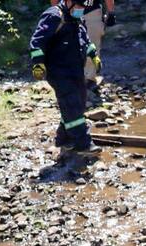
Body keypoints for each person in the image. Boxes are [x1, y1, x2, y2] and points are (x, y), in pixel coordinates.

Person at [30, 0, 102, 156]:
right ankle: (83, 144)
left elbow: (84, 38)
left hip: (75, 69)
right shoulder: (54, 16)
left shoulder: (76, 17)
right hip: (58, 71)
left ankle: (64, 139)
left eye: (84, 8)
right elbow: (37, 41)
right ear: (68, 2)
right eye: (78, 7)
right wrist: (38, 63)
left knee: (79, 102)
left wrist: (92, 54)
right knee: (71, 104)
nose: (81, 10)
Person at [51, 0, 116, 91]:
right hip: (68, 11)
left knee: (92, 45)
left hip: (91, 11)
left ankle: (89, 79)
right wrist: (56, 11)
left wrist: (111, 12)